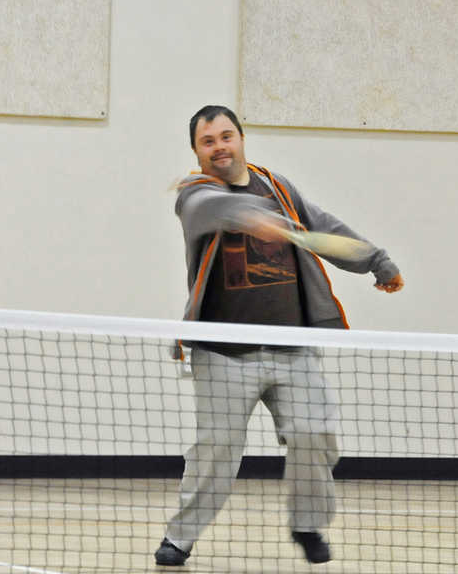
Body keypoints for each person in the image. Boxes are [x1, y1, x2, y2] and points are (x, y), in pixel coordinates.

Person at [155, 105, 403, 567]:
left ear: (242, 139)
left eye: (226, 137)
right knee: (217, 451)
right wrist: (253, 217)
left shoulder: (279, 189)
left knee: (317, 435)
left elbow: (324, 227)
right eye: (208, 142)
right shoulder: (194, 194)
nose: (220, 147)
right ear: (197, 151)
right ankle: (180, 537)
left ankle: (307, 525)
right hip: (224, 355)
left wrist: (376, 260)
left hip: (293, 350)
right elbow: (212, 208)